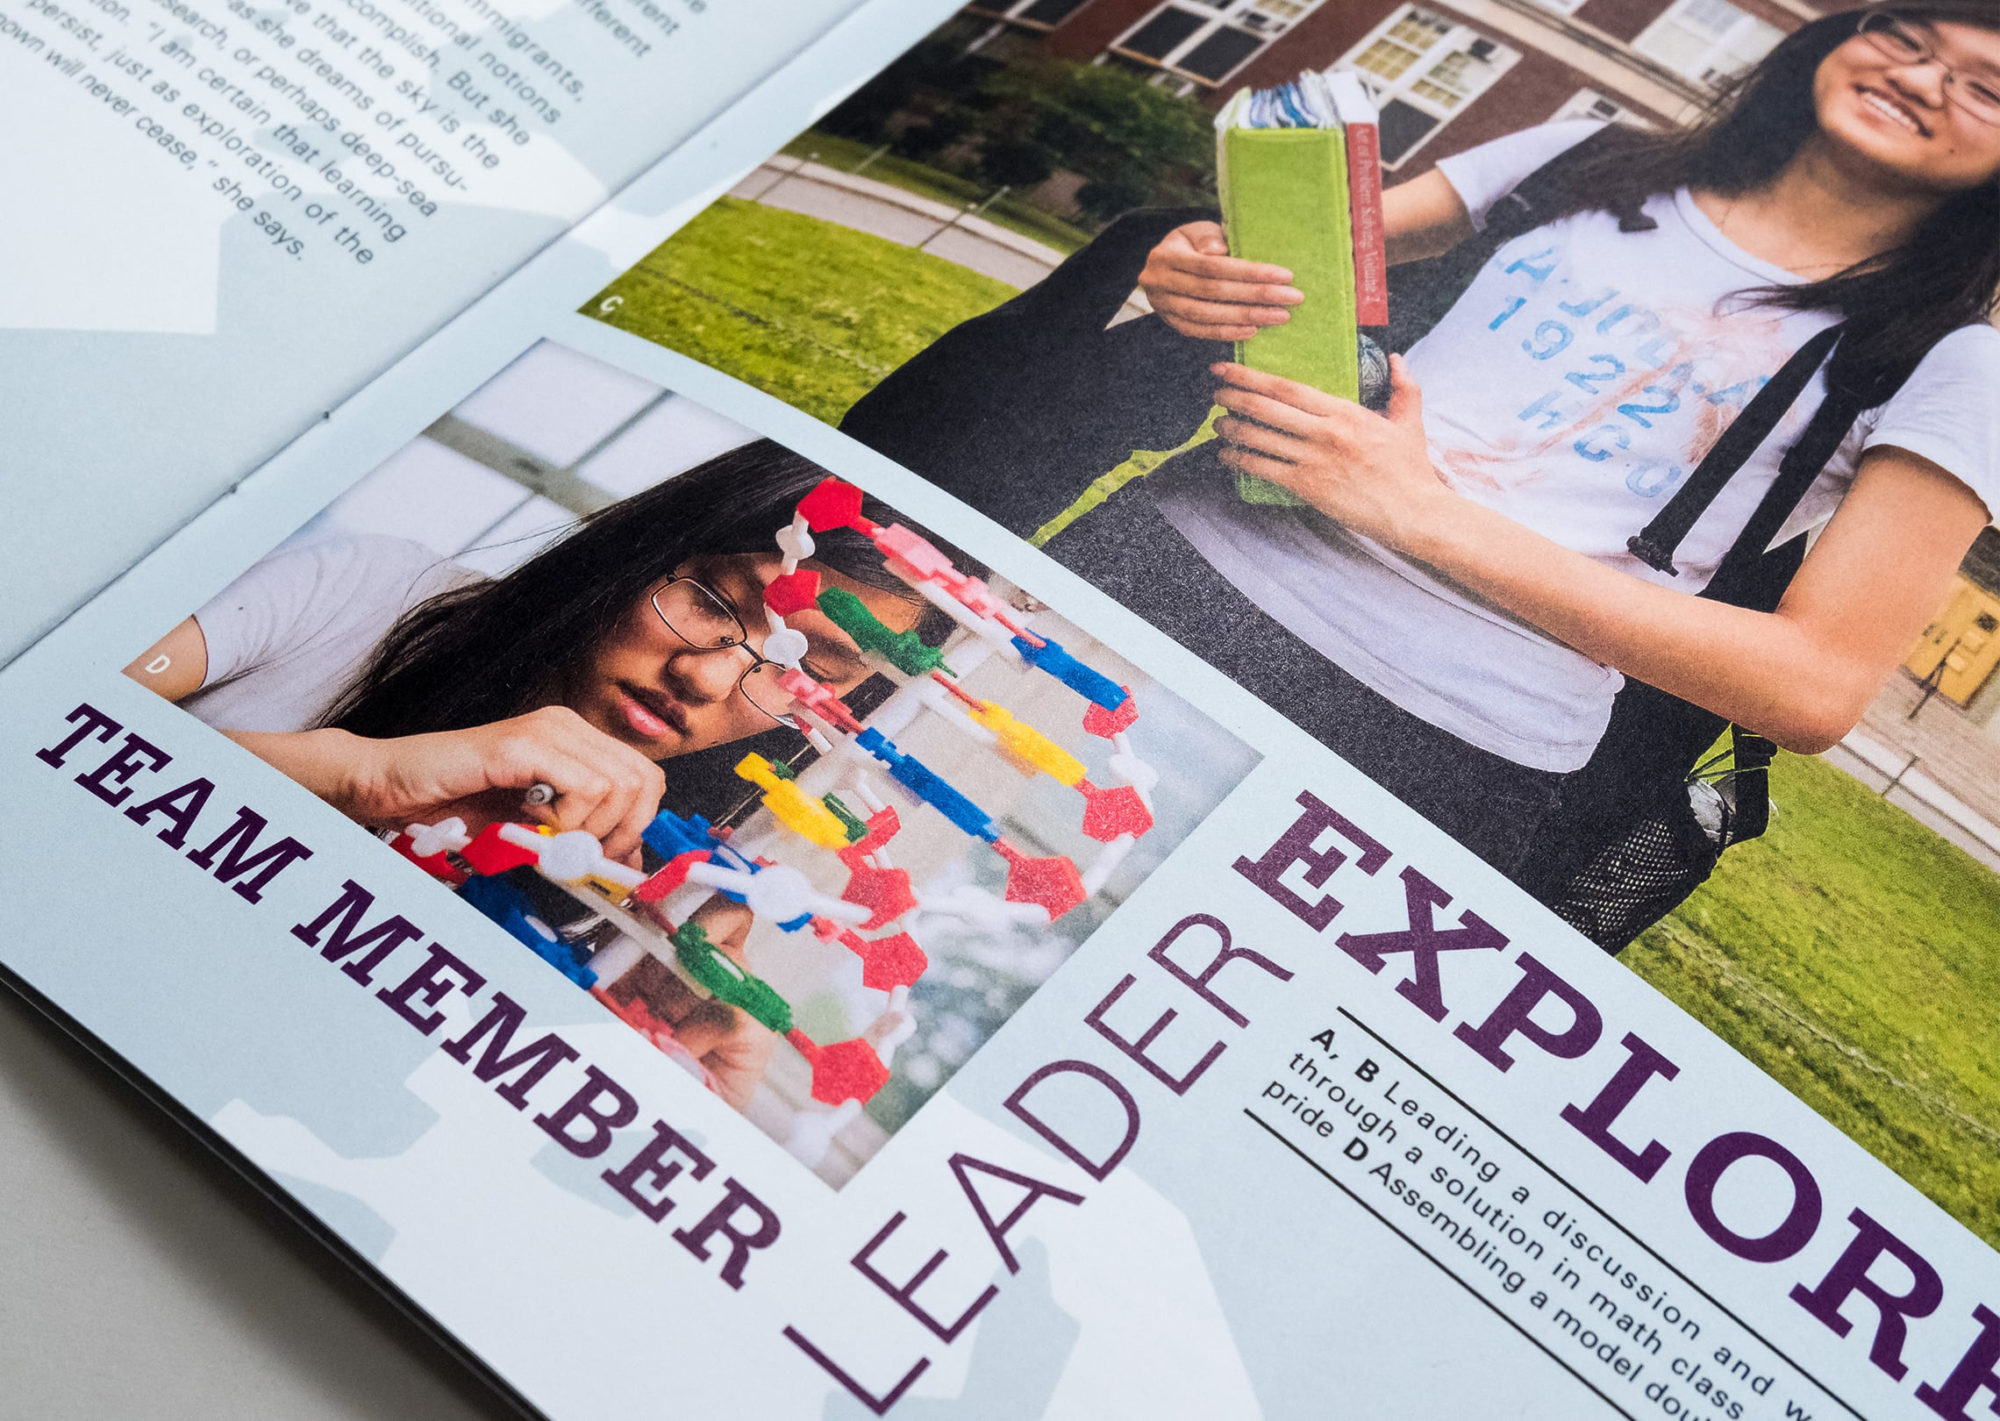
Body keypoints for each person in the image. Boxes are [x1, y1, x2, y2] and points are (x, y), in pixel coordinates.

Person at [1048, 3, 2000, 873]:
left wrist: (1416, 512)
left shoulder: (1952, 364)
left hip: (1438, 739)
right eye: (1905, 39)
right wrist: (1201, 263)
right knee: (930, 831)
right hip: (1162, 567)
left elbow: (1813, 687)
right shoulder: (1588, 155)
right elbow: (1307, 262)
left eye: (1983, 87)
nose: (1919, 81)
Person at [125, 440, 959, 1105]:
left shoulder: (643, 918)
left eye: (804, 668)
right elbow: (43, 711)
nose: (708, 677)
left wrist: (667, 1100)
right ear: (642, 552)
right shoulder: (367, 590)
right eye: (713, 598)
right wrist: (362, 775)